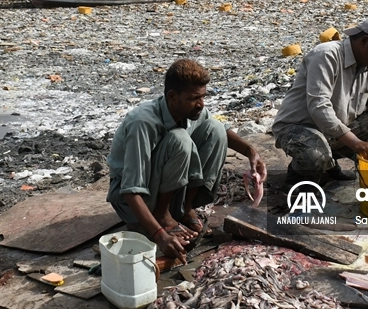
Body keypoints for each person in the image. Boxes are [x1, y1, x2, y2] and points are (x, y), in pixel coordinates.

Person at [107, 59, 267, 262]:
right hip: (133, 201)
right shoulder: (143, 123)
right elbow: (131, 190)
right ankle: (161, 215)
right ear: (172, 97)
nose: (201, 104)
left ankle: (184, 208)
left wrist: (250, 151)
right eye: (194, 98)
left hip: (162, 187)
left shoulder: (189, 109)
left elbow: (223, 131)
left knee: (216, 129)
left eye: (203, 97)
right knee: (179, 139)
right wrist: (159, 236)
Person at [272, 18, 368, 185]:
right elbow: (319, 106)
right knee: (315, 156)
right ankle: (298, 180)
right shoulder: (326, 55)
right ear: (364, 41)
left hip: (336, 128)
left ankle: (331, 164)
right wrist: (356, 143)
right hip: (300, 127)